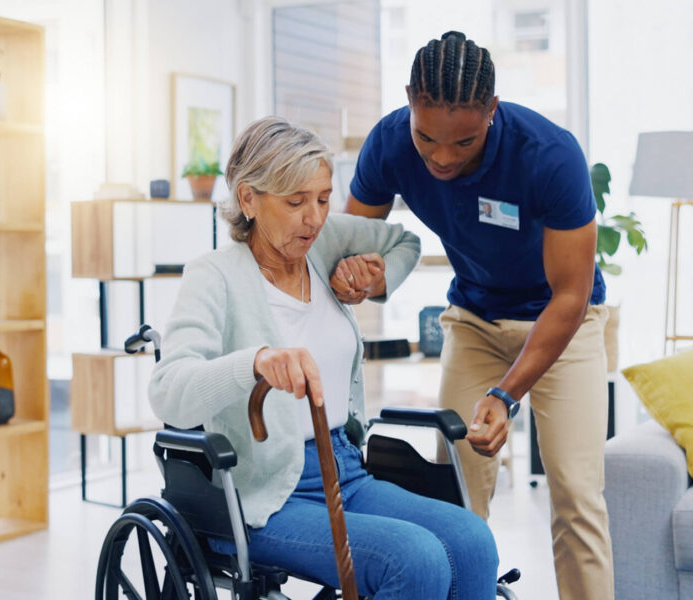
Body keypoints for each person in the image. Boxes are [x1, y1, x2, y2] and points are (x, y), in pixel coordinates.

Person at [150, 116, 499, 599]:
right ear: (248, 199)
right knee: (414, 559)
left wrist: (375, 280)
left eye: (322, 198)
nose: (313, 218)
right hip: (263, 491)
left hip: (345, 469)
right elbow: (169, 392)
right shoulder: (214, 276)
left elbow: (405, 241)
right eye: (295, 203)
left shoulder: (323, 242)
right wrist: (254, 362)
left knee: (472, 541)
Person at [346, 31, 614, 600]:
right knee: (458, 498)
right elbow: (351, 246)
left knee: (576, 496)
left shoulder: (550, 155)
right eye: (426, 138)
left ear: (492, 111)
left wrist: (507, 395)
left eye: (462, 142)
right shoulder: (390, 142)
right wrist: (362, 276)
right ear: (408, 104)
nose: (441, 157)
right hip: (475, 321)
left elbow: (569, 295)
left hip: (565, 327)